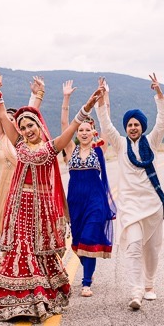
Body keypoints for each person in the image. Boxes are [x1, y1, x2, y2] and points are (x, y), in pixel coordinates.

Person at [0, 83, 103, 321]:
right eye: (22, 127)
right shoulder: (19, 144)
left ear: (39, 125)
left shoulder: (52, 148)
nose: (26, 130)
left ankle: (42, 297)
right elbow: (2, 116)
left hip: (42, 208)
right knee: (23, 249)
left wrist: (87, 107)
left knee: (40, 251)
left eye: (30, 125)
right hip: (19, 206)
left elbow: (72, 127)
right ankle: (21, 302)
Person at [95, 74, 164, 310]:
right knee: (134, 246)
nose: (133, 128)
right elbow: (105, 124)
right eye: (129, 125)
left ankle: (149, 285)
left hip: (152, 205)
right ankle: (136, 291)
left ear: (142, 127)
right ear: (126, 128)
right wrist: (102, 98)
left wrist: (159, 94)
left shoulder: (152, 141)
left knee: (152, 249)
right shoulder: (119, 144)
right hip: (129, 206)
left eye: (136, 124)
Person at [0, 75, 42, 273]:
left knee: (22, 226)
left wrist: (37, 95)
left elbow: (31, 116)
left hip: (23, 190)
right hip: (3, 189)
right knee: (3, 222)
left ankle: (21, 260)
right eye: (8, 119)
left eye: (14, 120)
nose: (10, 122)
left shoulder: (24, 143)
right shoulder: (0, 140)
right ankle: (0, 257)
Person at [60, 80, 115, 296]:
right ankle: (87, 271)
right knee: (78, 241)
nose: (83, 132)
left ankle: (86, 282)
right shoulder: (71, 149)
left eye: (87, 130)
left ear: (93, 133)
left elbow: (106, 122)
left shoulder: (100, 150)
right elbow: (65, 125)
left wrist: (104, 97)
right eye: (81, 129)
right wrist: (66, 98)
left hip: (95, 200)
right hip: (75, 201)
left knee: (90, 237)